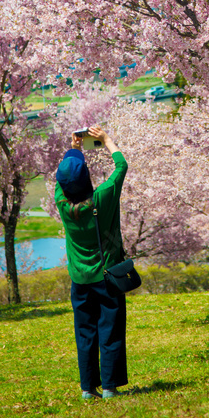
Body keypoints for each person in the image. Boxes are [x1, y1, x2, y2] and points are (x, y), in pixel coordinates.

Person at [55, 125, 129, 400]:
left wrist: (74, 148)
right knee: (109, 331)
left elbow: (64, 178)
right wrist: (106, 140)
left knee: (85, 333)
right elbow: (120, 167)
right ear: (87, 178)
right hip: (107, 278)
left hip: (79, 280)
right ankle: (109, 387)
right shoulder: (102, 198)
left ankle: (88, 389)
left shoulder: (62, 203)